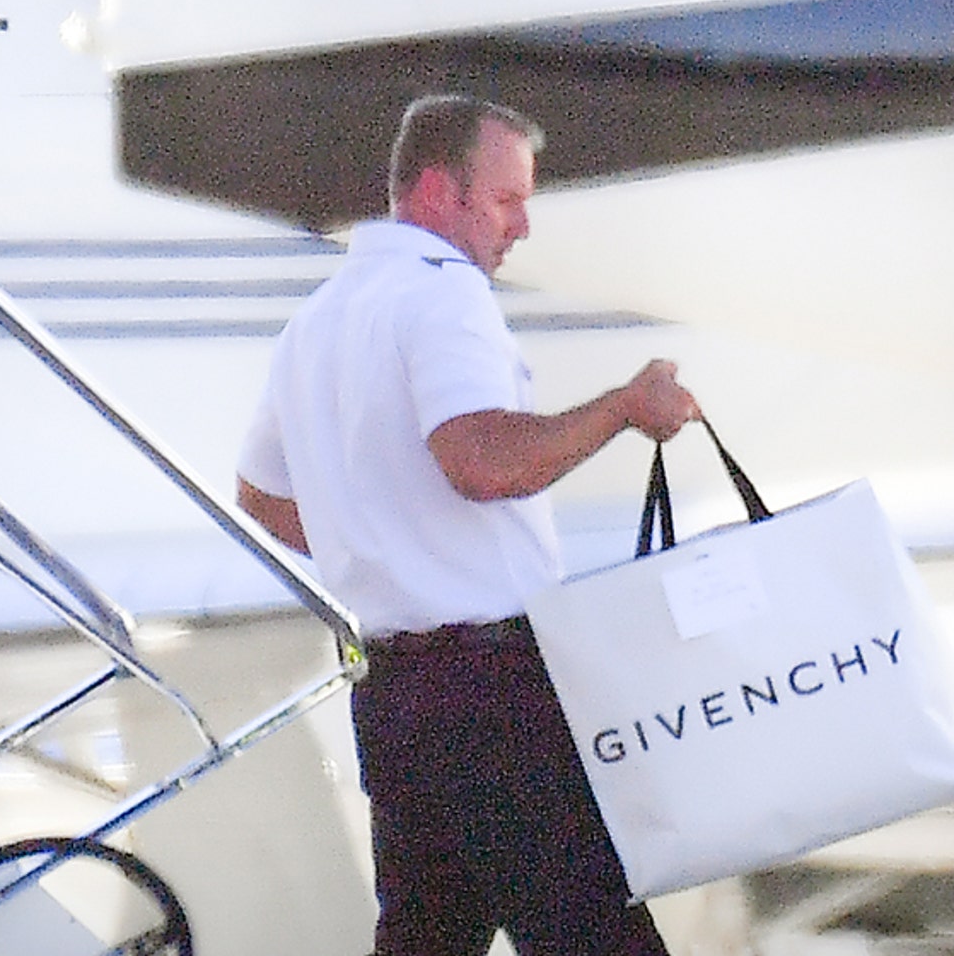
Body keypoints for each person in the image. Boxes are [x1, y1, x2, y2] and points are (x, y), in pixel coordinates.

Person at [235, 94, 699, 956]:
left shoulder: (317, 320)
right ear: (443, 192)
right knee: (594, 937)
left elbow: (260, 497)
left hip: (395, 700)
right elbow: (483, 460)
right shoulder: (443, 296)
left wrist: (373, 534)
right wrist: (626, 407)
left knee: (425, 942)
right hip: (493, 693)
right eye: (509, 198)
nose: (523, 225)